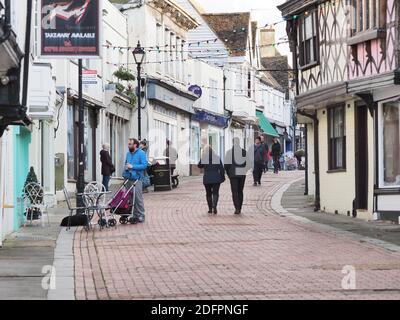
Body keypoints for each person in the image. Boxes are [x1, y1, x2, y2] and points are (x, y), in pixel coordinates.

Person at [123, 138, 148, 224]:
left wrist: (132, 166)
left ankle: (141, 215)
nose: (128, 145)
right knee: (129, 198)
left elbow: (144, 165)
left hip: (137, 179)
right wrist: (126, 167)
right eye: (128, 143)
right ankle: (133, 215)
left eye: (130, 144)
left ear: (135, 145)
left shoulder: (141, 153)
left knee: (137, 198)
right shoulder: (128, 154)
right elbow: (126, 163)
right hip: (128, 178)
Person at [198, 146, 225, 215]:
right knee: (215, 193)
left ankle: (210, 209)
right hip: (216, 178)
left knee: (208, 193)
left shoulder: (205, 158)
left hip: (207, 178)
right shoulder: (217, 157)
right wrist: (222, 176)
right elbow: (221, 168)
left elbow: (199, 165)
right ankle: (214, 206)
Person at [225, 138, 247, 215]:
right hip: (241, 173)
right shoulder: (244, 152)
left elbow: (226, 165)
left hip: (233, 174)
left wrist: (228, 173)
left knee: (234, 191)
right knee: (240, 191)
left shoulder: (229, 152)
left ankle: (237, 208)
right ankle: (240, 207)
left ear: (233, 143)